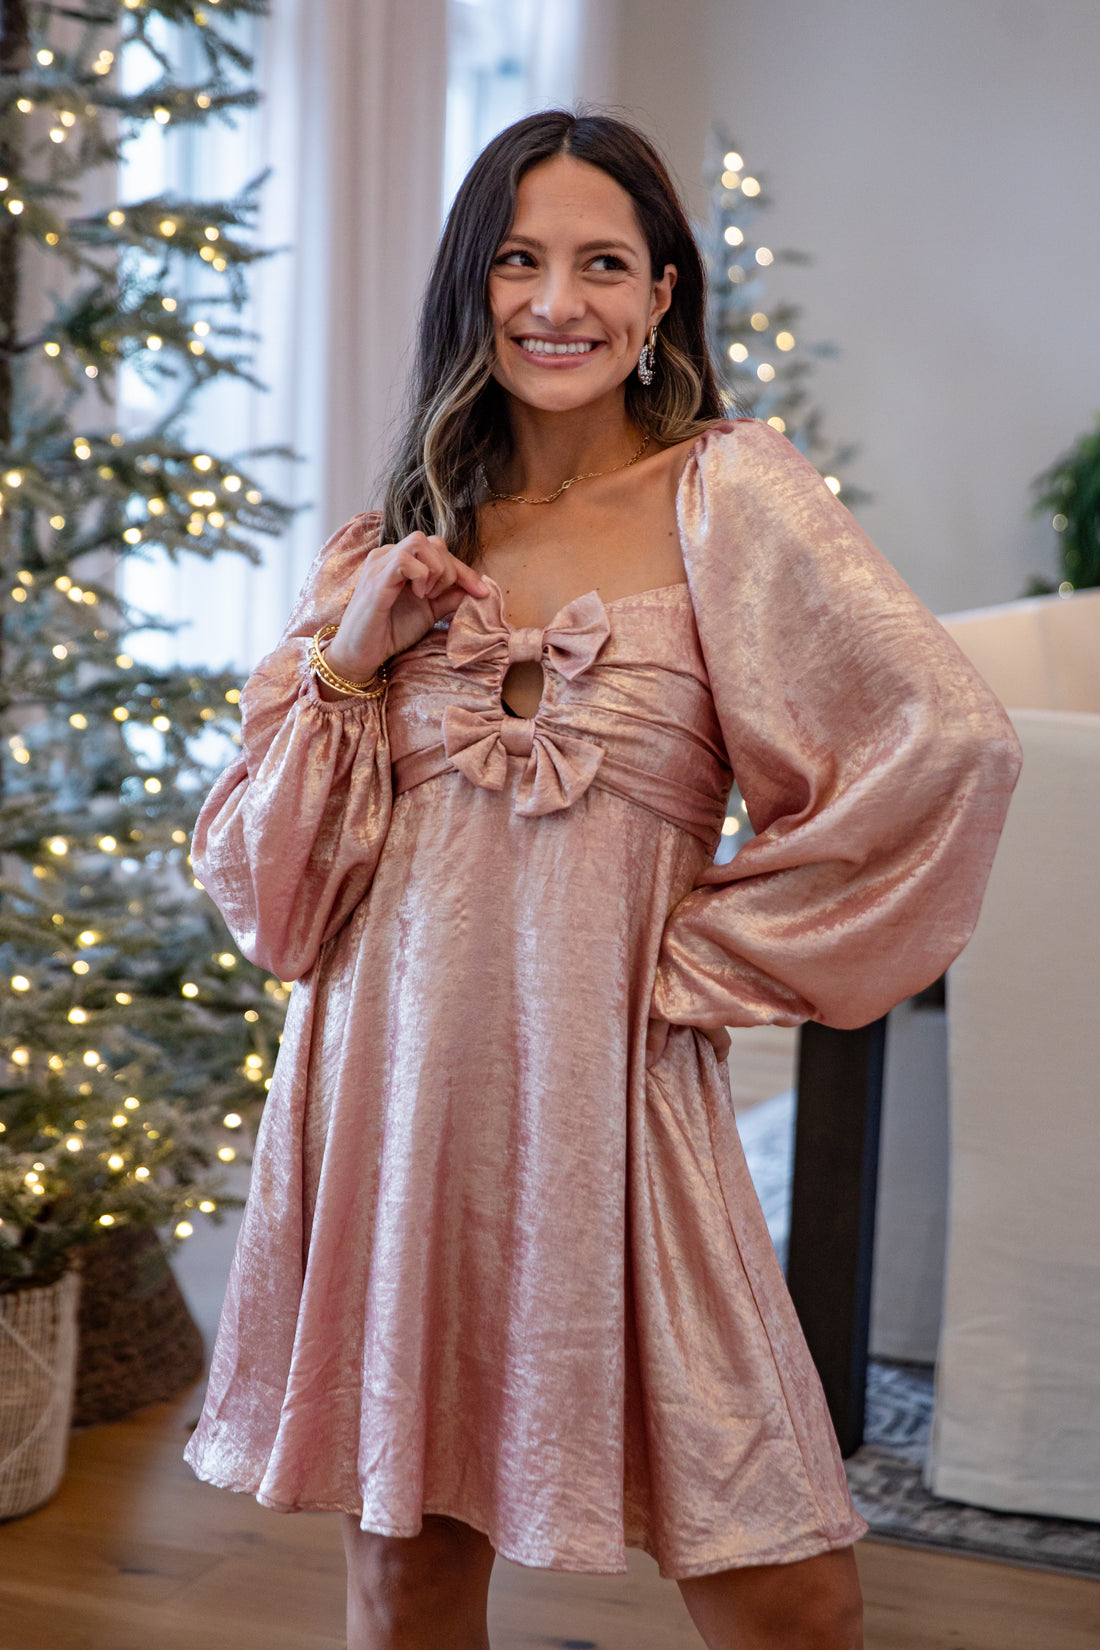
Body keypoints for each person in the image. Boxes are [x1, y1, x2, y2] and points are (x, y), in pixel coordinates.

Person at [182, 110, 1023, 1650]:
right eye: (518, 257)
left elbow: (947, 741)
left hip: (620, 1095)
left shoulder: (731, 497)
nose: (556, 299)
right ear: (469, 286)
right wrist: (351, 654)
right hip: (392, 1099)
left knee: (790, 1584)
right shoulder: (394, 540)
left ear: (658, 299)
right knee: (408, 1574)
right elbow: (268, 891)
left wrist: (710, 950)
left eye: (601, 263)